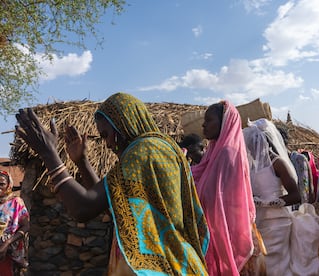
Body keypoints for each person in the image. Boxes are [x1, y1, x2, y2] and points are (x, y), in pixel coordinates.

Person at [16, 92, 209, 275]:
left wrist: (49, 154)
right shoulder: (159, 149)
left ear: (122, 125)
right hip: (174, 262)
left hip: (156, 269)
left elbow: (83, 208)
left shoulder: (142, 152)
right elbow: (113, 204)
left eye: (106, 135)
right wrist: (82, 162)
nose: (107, 144)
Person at [191, 100, 255, 275]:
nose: (204, 124)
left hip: (222, 230)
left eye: (209, 120)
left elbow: (218, 198)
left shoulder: (227, 153)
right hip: (212, 228)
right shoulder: (214, 151)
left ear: (225, 122)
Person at [243, 118, 301, 274]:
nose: (252, 150)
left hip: (278, 223)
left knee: (276, 264)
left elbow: (296, 196)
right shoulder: (251, 166)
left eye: (255, 145)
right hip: (258, 221)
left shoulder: (278, 163)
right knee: (260, 264)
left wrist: (271, 202)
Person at [0, 171, 29, 276]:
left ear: (8, 185)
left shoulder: (16, 202)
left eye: (2, 184)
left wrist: (7, 243)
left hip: (9, 251)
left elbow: (26, 226)